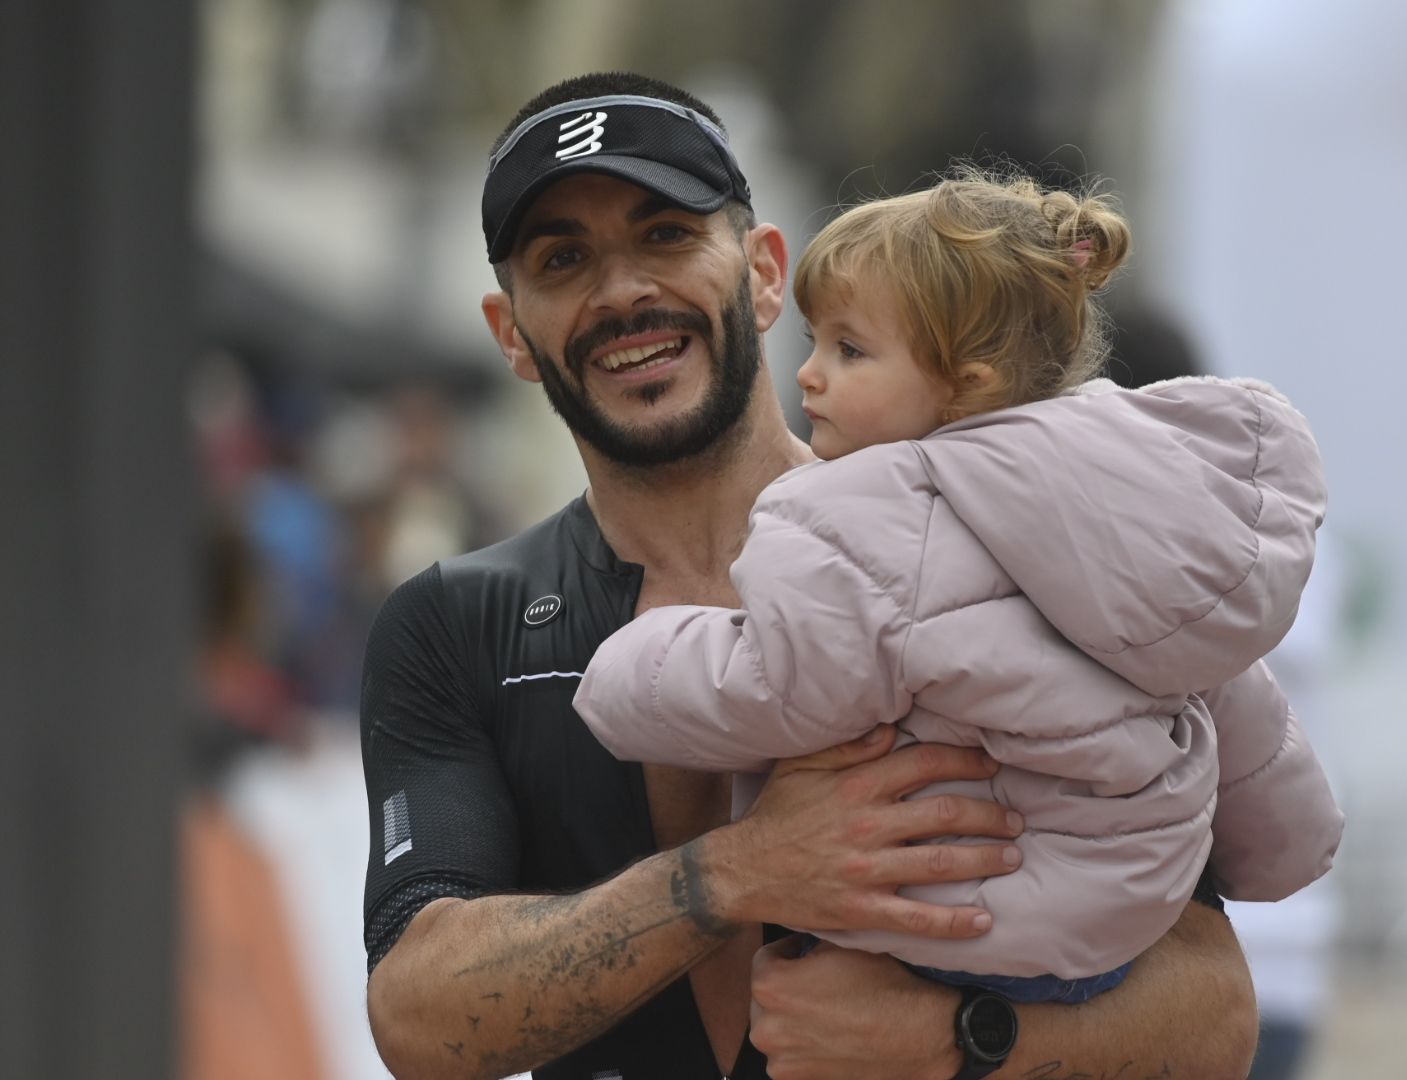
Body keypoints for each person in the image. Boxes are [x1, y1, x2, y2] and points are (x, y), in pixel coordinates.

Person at [361, 71, 1263, 1080]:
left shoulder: (991, 540)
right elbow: (418, 1015)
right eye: (563, 259)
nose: (621, 292)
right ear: (511, 333)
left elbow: (1217, 1011)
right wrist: (732, 876)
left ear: (762, 271)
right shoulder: (455, 621)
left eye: (665, 234)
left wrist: (955, 1041)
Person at [574, 171, 1342, 1008]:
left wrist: (625, 668)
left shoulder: (867, 508)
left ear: (968, 382)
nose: (809, 375)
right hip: (1127, 918)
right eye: (816, 340)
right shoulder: (1135, 496)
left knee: (798, 997)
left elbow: (779, 683)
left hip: (974, 919)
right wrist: (1286, 853)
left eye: (850, 349)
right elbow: (1238, 707)